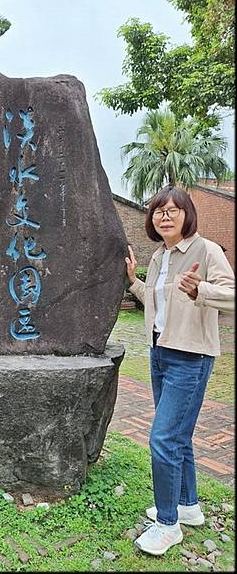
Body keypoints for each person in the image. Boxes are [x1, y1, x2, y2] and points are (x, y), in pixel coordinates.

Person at [125, 185, 234, 556]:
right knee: (179, 437)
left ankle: (167, 524)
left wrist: (201, 289)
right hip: (159, 354)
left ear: (188, 214)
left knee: (162, 440)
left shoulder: (206, 250)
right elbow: (157, 301)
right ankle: (188, 507)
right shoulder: (158, 256)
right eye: (159, 210)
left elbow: (231, 294)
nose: (165, 216)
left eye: (173, 209)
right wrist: (134, 281)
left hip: (191, 357)